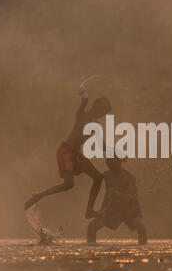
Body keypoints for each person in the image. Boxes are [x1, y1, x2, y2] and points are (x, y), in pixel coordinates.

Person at [24, 85, 111, 219]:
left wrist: (117, 152)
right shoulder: (82, 115)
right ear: (97, 105)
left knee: (99, 178)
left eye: (104, 113)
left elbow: (101, 145)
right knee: (68, 184)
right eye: (102, 110)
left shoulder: (96, 125)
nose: (102, 114)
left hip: (76, 154)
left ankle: (89, 210)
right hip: (66, 151)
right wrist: (82, 92)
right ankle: (38, 195)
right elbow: (85, 99)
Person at [87, 157, 147, 245]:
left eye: (111, 160)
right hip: (113, 208)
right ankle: (91, 251)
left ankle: (143, 250)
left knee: (141, 227)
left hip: (130, 208)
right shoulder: (106, 175)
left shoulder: (130, 177)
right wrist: (99, 209)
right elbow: (107, 194)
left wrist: (117, 194)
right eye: (107, 160)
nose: (108, 162)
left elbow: (133, 197)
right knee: (92, 227)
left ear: (119, 161)